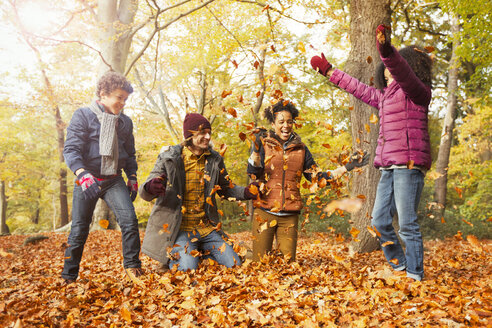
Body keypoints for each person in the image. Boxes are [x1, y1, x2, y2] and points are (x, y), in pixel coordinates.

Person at [310, 24, 433, 281]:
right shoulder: (385, 97)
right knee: (379, 222)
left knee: (407, 224)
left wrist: (386, 49)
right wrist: (330, 72)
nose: (387, 69)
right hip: (388, 166)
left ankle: (415, 275)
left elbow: (402, 72)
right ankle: (400, 266)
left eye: (391, 65)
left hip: (408, 165)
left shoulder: (417, 92)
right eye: (385, 65)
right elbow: (357, 88)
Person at [247, 100, 369, 262]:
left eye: (289, 122)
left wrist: (347, 167)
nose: (286, 126)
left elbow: (318, 178)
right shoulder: (262, 143)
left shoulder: (301, 149)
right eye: (281, 122)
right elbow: (253, 175)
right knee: (260, 263)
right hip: (264, 212)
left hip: (289, 215)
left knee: (287, 264)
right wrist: (255, 151)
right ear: (273, 123)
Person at [139, 113, 258, 272]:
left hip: (207, 228)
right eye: (202, 132)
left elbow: (225, 188)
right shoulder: (170, 157)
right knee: (188, 270)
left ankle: (200, 255)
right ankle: (174, 258)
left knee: (235, 264)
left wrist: (246, 192)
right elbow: (146, 188)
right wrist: (150, 187)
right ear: (190, 134)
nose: (207, 136)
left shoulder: (214, 159)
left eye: (209, 132)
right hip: (181, 229)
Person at [62, 71, 142, 284]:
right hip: (87, 178)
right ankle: (68, 277)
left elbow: (130, 154)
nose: (123, 103)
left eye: (125, 99)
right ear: (103, 94)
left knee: (129, 221)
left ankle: (133, 269)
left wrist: (132, 177)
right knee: (79, 228)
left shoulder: (125, 122)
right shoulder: (83, 115)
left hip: (114, 179)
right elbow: (71, 150)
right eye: (119, 97)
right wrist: (82, 174)